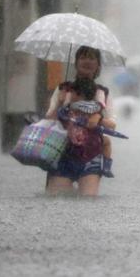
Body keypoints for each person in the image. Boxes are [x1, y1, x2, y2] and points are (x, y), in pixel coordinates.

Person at [44, 46, 116, 196]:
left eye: (92, 58)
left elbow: (112, 124)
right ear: (76, 63)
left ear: (98, 65)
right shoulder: (63, 90)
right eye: (83, 58)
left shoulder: (102, 93)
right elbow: (48, 120)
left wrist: (99, 118)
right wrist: (59, 103)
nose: (87, 62)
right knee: (56, 200)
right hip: (62, 154)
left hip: (91, 156)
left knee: (88, 200)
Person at [60, 76, 116, 178]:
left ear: (78, 94)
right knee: (107, 142)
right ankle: (106, 166)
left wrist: (63, 105)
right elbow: (97, 120)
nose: (70, 95)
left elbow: (62, 116)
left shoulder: (72, 106)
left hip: (72, 139)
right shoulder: (94, 107)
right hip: (89, 140)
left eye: (71, 93)